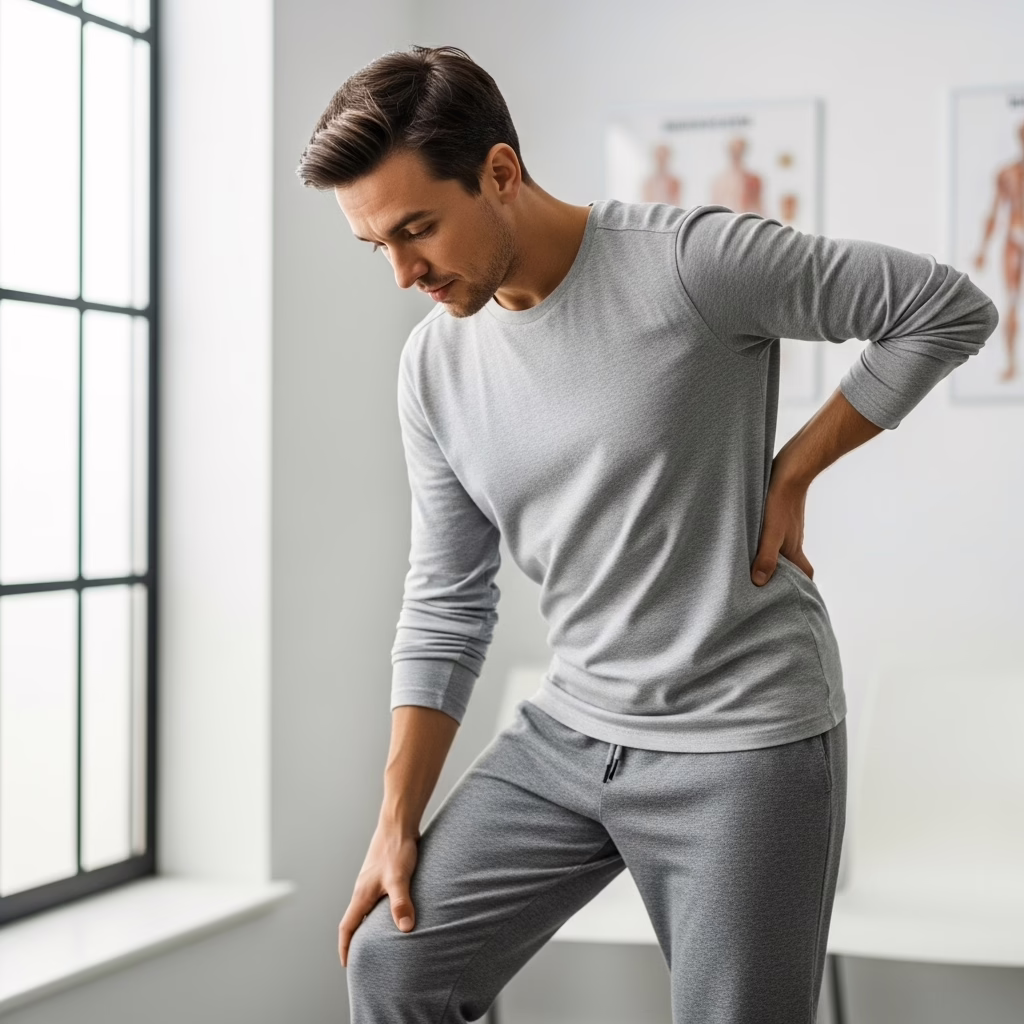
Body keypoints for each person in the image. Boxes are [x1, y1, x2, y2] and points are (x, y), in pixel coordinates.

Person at [296, 45, 999, 1024]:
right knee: (392, 967)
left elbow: (943, 307)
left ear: (500, 172)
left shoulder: (688, 261)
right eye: (377, 246)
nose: (405, 272)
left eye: (418, 229)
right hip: (571, 728)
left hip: (743, 739)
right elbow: (446, 601)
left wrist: (794, 467)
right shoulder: (433, 368)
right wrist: (393, 821)